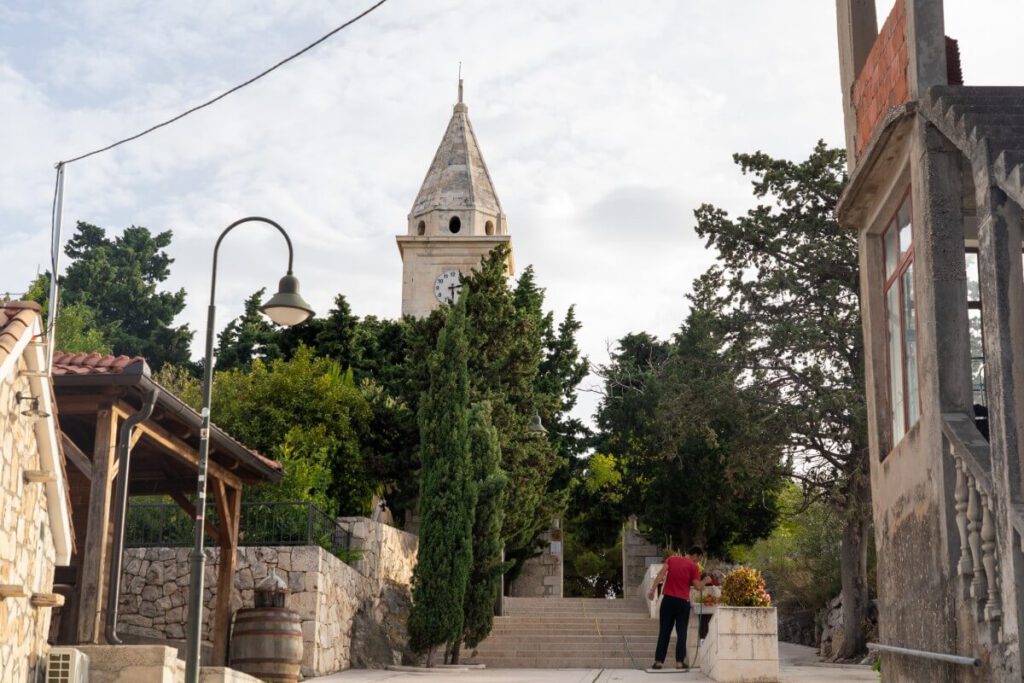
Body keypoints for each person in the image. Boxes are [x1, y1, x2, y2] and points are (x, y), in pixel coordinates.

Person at [647, 545, 711, 670]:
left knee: (664, 631)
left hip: (668, 601)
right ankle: (679, 663)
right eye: (698, 558)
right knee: (681, 633)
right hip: (682, 603)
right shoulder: (694, 566)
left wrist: (652, 591)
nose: (697, 561)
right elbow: (698, 587)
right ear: (695, 555)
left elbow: (660, 575)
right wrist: (706, 581)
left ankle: (659, 661)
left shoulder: (671, 559)